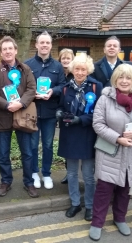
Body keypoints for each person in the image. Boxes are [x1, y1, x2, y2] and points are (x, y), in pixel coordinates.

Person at [89, 64, 132, 241]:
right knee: (104, 190)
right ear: (115, 80)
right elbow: (98, 124)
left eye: (128, 78)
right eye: (121, 77)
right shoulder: (105, 98)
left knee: (125, 190)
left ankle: (120, 219)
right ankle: (97, 222)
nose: (124, 81)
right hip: (110, 152)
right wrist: (117, 138)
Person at [0, 36, 39, 198]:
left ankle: (28, 182)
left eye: (10, 48)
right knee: (3, 153)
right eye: (4, 49)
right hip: (3, 117)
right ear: (1, 52)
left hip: (23, 116)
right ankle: (6, 181)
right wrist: (7, 104)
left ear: (15, 50)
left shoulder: (25, 69)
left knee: (27, 153)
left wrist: (21, 103)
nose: (8, 51)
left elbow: (32, 88)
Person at [56, 54, 103, 221]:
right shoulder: (65, 88)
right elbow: (61, 105)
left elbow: (100, 114)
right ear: (72, 70)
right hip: (69, 134)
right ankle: (75, 203)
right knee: (72, 173)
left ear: (88, 70)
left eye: (83, 69)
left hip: (87, 134)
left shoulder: (97, 87)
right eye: (77, 68)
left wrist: (80, 119)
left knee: (89, 175)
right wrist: (59, 112)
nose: (80, 72)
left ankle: (89, 206)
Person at [24, 31, 66, 189]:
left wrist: (52, 92)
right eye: (42, 42)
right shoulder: (28, 65)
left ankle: (46, 174)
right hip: (33, 111)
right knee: (33, 144)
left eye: (47, 43)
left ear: (50, 45)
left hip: (49, 112)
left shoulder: (57, 66)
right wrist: (31, 93)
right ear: (36, 45)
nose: (44, 45)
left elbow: (62, 85)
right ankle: (34, 173)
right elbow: (23, 86)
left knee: (48, 145)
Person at [57, 48, 75, 184]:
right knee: (65, 143)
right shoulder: (58, 72)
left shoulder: (75, 74)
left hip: (73, 113)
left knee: (73, 143)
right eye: (63, 58)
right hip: (60, 112)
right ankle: (68, 173)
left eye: (68, 58)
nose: (66, 60)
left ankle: (73, 174)